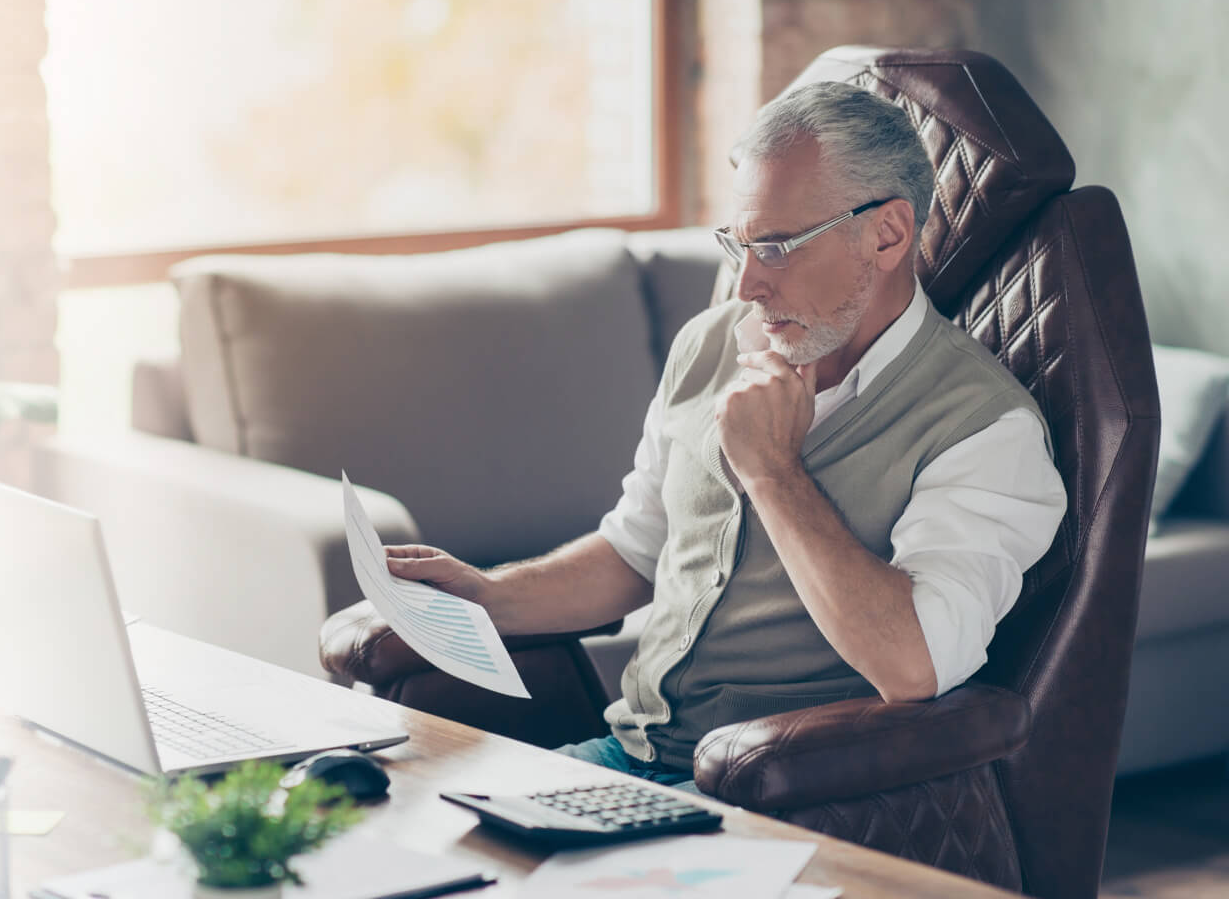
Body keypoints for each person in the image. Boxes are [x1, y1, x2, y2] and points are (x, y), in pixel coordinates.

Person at [384, 82, 1067, 792]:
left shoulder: (985, 428)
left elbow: (913, 664)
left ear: (888, 234)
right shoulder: (710, 344)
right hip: (631, 761)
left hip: (794, 794)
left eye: (775, 247)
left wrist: (773, 472)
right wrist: (488, 597)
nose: (746, 286)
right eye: (739, 245)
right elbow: (635, 552)